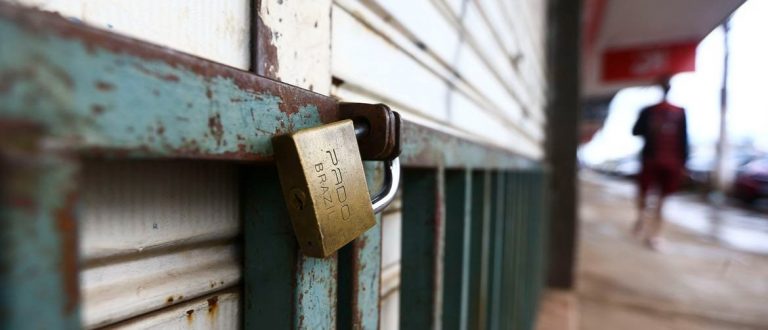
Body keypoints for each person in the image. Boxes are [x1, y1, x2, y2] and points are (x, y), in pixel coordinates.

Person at [631, 77, 689, 250]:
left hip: (660, 159)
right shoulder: (658, 111)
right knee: (657, 197)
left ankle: (648, 227)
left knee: (651, 195)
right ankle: (651, 230)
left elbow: (684, 139)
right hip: (665, 159)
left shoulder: (659, 111)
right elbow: (685, 140)